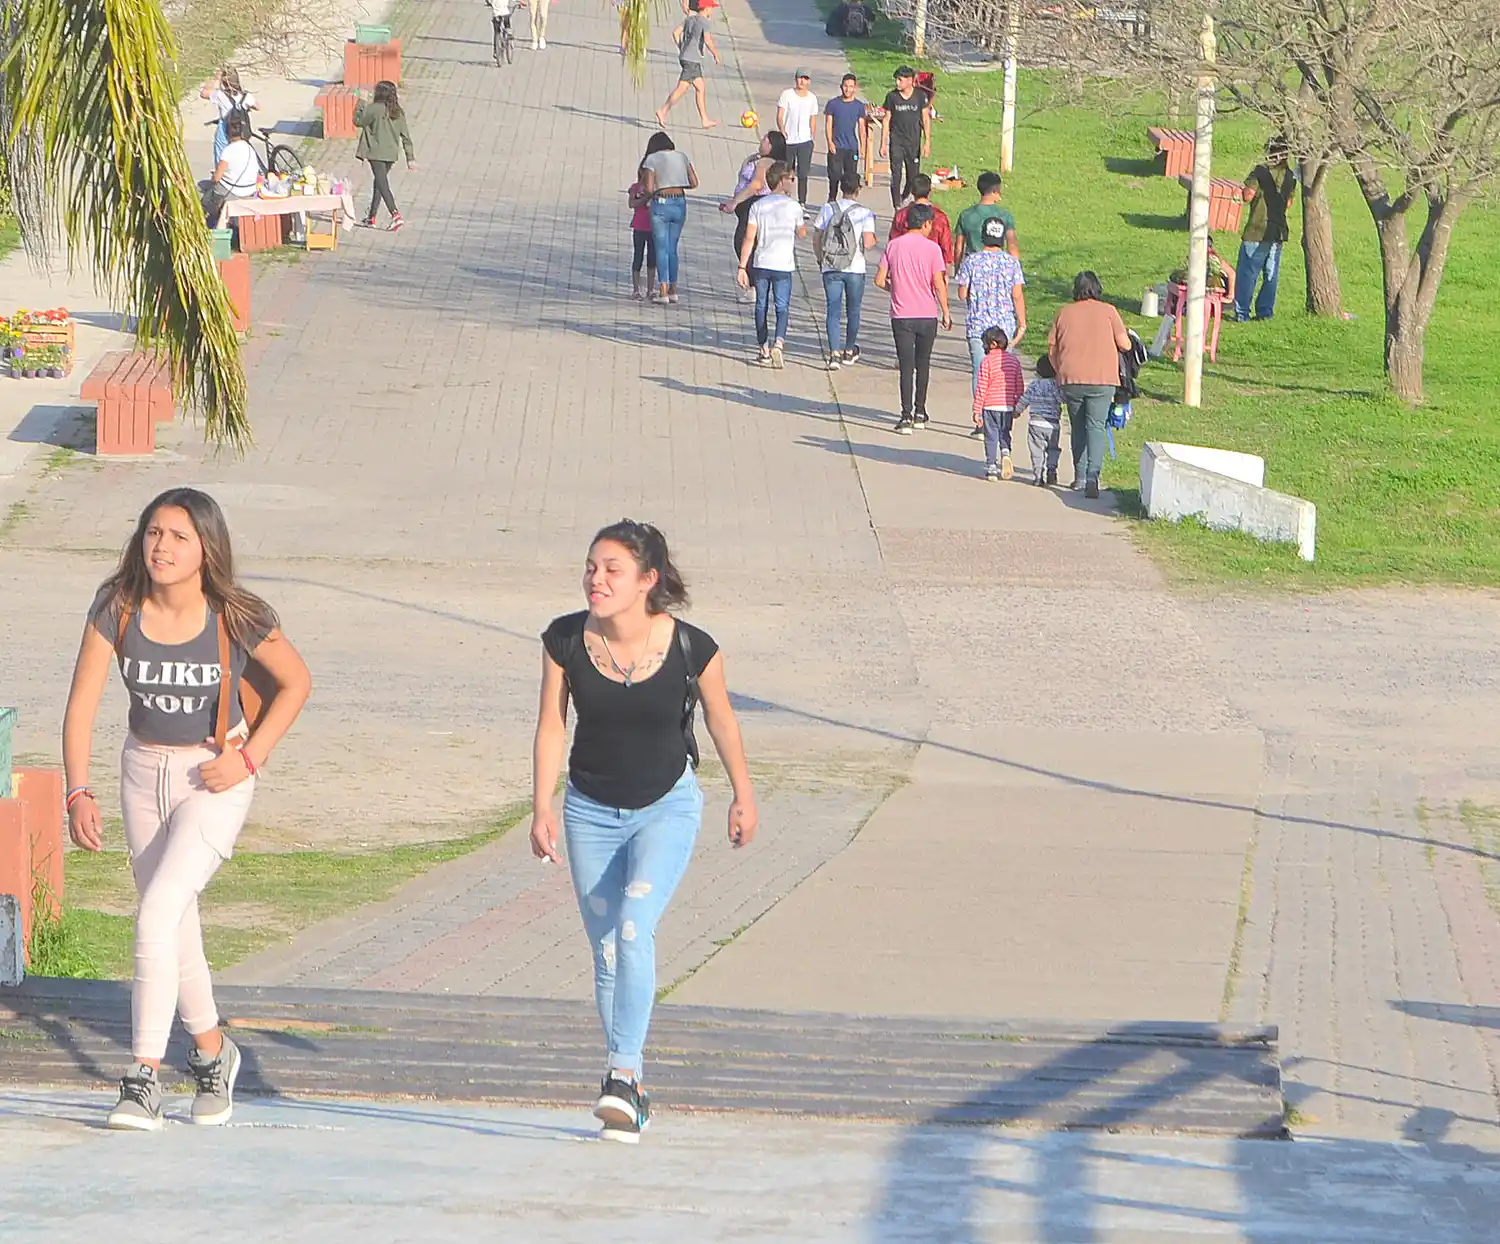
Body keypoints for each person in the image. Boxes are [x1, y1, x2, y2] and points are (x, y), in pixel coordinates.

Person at [63, 488, 311, 1131]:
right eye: (153, 533)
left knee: (156, 911)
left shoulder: (235, 614)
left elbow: (296, 682)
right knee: (173, 927)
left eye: (177, 536)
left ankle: (142, 1076)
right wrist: (76, 790)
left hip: (215, 778)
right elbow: (82, 702)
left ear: (206, 547)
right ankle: (211, 1055)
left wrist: (249, 758)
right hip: (141, 771)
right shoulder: (116, 606)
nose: (161, 547)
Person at [532, 520, 757, 1144]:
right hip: (588, 811)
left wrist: (743, 794)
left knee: (634, 925)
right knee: (606, 951)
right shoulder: (564, 641)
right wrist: (541, 805)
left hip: (667, 806)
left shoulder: (693, 647)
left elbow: (722, 721)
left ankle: (623, 1074)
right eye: (590, 567)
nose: (595, 580)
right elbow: (552, 726)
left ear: (647, 581)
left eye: (611, 570)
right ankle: (628, 1087)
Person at [1046, 270, 1133, 499]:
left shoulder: (1063, 313)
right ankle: (1093, 476)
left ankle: (1080, 476)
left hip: (1071, 378)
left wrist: (1060, 369)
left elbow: (1052, 349)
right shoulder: (1109, 311)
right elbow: (1125, 344)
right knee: (1095, 425)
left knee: (1078, 426)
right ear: (1097, 288)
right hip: (1103, 379)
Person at [875, 202, 951, 435]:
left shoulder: (893, 246)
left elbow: (879, 280)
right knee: (923, 364)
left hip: (902, 315)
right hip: (927, 314)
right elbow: (938, 282)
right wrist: (946, 311)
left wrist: (896, 288)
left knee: (906, 366)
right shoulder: (932, 249)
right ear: (926, 223)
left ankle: (905, 415)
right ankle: (920, 411)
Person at [738, 161, 807, 368]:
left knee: (761, 305)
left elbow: (749, 238)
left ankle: (763, 347)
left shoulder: (758, 206)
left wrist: (742, 266)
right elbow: (802, 233)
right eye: (791, 179)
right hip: (784, 264)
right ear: (782, 181)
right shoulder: (794, 207)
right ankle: (779, 342)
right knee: (782, 305)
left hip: (761, 262)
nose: (793, 183)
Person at [813, 172, 877, 370]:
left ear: (841, 188)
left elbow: (817, 238)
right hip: (855, 267)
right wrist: (874, 241)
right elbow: (868, 242)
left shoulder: (827, 209)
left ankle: (833, 354)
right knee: (853, 310)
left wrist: (820, 258)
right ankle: (849, 350)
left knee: (833, 309)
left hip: (831, 265)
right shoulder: (864, 213)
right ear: (858, 189)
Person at [956, 215, 1027, 395]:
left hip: (978, 325)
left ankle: (980, 415)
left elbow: (962, 294)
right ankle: (1001, 413)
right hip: (1004, 325)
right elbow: (1017, 295)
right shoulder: (1012, 263)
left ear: (982, 236)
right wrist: (1022, 323)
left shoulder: (971, 261)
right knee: (1003, 372)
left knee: (980, 372)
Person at [1234, 137, 1296, 322]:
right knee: (1271, 274)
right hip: (1278, 231)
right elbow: (1289, 203)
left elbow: (1248, 195)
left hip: (1257, 229)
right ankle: (1265, 312)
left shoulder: (1260, 171)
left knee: (1248, 273)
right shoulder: (1290, 176)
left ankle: (1242, 313)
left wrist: (1243, 191)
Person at [640, 132, 699, 304]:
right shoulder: (682, 156)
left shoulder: (651, 159)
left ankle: (663, 290)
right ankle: (674, 289)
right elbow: (694, 182)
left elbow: (650, 188)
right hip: (680, 203)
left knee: (661, 248)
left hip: (661, 203)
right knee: (672, 248)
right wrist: (676, 181)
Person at [354, 81, 416, 231]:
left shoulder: (374, 109)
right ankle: (371, 217)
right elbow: (405, 136)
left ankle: (395, 215)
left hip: (375, 152)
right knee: (379, 182)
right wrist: (410, 157)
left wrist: (361, 101)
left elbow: (358, 121)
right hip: (391, 154)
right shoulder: (398, 112)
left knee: (382, 184)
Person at [722, 132, 788, 266]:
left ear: (771, 146)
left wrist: (735, 202)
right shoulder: (762, 160)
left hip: (753, 204)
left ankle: (752, 279)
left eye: (765, 139)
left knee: (744, 241)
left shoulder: (765, 162)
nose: (761, 141)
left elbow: (757, 184)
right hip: (752, 206)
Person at [971, 326, 1025, 481]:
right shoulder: (1013, 361)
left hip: (990, 406)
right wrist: (1018, 404)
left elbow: (982, 386)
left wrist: (977, 409)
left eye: (985, 343)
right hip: (1007, 406)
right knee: (1005, 432)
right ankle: (1006, 452)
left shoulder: (986, 362)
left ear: (993, 344)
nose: (983, 346)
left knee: (991, 436)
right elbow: (1019, 384)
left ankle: (991, 466)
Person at [657, 0, 722, 130]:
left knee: (700, 88)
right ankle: (663, 110)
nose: (712, 11)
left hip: (687, 58)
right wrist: (715, 54)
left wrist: (681, 47)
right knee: (681, 89)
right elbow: (708, 40)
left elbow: (675, 33)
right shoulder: (705, 22)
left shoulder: (690, 19)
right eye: (711, 8)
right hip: (692, 60)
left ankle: (704, 120)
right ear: (706, 8)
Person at [880, 65, 930, 211]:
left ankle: (904, 196)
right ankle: (896, 205)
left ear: (909, 80)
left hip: (913, 142)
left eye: (900, 80)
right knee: (896, 174)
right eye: (896, 79)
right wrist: (883, 143)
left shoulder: (920, 97)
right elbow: (886, 119)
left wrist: (927, 142)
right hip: (897, 141)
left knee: (913, 177)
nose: (897, 83)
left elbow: (925, 119)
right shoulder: (892, 97)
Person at [200, 113, 261, 224]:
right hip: (249, 189)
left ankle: (208, 222)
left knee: (205, 195)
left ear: (227, 134)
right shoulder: (249, 148)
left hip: (234, 191)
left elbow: (216, 179)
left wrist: (214, 175)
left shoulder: (228, 151)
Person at [954, 171, 1019, 267]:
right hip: (997, 266)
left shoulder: (966, 215)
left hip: (972, 265)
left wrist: (957, 269)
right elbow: (1012, 246)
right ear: (994, 191)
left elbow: (959, 248)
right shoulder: (1004, 215)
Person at [1017, 353, 1063, 487]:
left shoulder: (1034, 385)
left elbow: (1025, 399)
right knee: (1053, 449)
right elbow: (1061, 399)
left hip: (1035, 423)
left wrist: (1017, 410)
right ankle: (1052, 470)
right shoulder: (1056, 386)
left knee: (1037, 450)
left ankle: (1038, 475)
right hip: (1053, 424)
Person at [776, 69, 819, 212]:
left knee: (803, 172)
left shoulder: (812, 98)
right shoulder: (787, 94)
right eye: (800, 78)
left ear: (809, 81)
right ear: (796, 79)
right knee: (787, 171)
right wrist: (782, 129)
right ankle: (785, 197)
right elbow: (780, 115)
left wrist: (812, 135)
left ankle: (802, 202)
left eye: (805, 79)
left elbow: (813, 118)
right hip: (789, 140)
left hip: (805, 140)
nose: (802, 81)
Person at [889, 174, 953, 268]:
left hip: (906, 266)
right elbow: (946, 247)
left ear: (912, 192)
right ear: (930, 191)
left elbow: (893, 243)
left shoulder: (902, 215)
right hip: (933, 267)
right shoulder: (940, 216)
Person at [200, 68, 258, 169]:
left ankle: (221, 177)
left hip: (225, 127)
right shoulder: (246, 96)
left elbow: (203, 93)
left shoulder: (219, 95)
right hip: (241, 129)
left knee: (221, 155)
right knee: (240, 155)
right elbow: (257, 107)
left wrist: (213, 79)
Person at [823, 74, 868, 203]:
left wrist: (862, 147)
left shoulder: (859, 106)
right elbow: (828, 124)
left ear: (855, 88)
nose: (848, 89)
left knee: (850, 177)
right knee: (834, 176)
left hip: (851, 148)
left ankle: (849, 201)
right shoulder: (833, 104)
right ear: (841, 87)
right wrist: (830, 142)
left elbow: (861, 127)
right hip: (837, 146)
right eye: (845, 86)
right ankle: (831, 199)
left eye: (851, 87)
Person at [627, 161, 657, 300]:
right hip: (639, 227)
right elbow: (632, 203)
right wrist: (645, 198)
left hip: (654, 227)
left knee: (652, 258)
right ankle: (635, 289)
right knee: (638, 257)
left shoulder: (657, 189)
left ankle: (650, 289)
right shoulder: (635, 188)